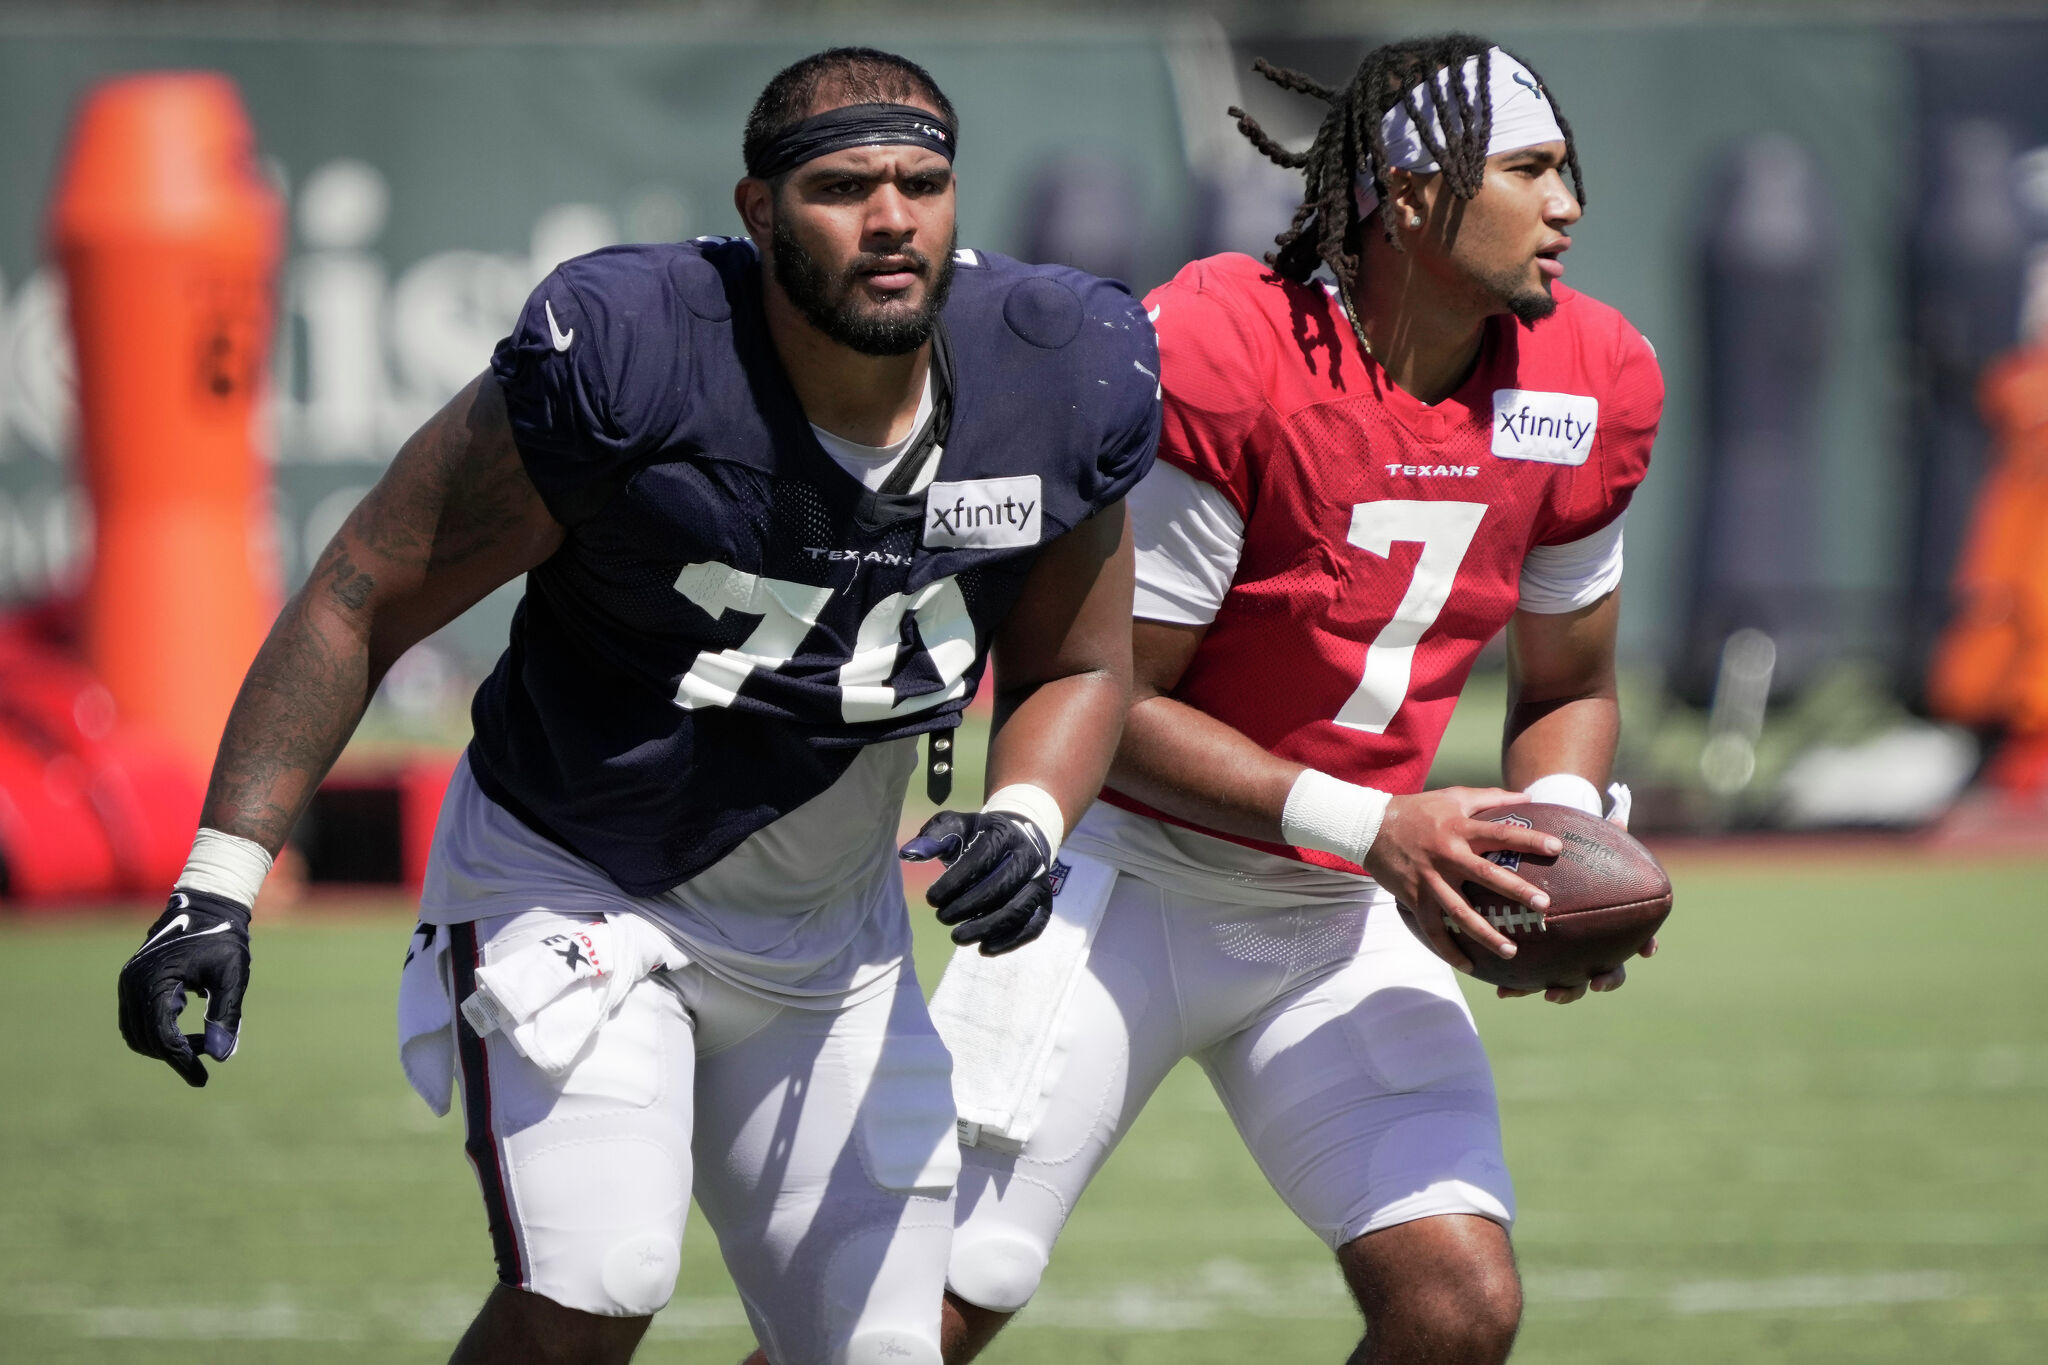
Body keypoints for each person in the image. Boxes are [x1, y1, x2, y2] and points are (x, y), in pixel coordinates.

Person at [114, 46, 1159, 1365]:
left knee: (887, 1350)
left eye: (923, 182)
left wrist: (1028, 812)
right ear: (760, 205)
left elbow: (1081, 663)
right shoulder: (636, 356)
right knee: (597, 1283)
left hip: (831, 933)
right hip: (581, 875)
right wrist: (217, 876)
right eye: (844, 186)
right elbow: (360, 595)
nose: (893, 217)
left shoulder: (1058, 376)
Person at [937, 34, 1663, 1365]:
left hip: (1337, 909)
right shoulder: (1236, 350)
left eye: (1568, 170)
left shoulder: (1587, 381)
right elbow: (1101, 699)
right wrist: (1374, 825)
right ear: (1408, 194)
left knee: (1458, 1307)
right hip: (1128, 878)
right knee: (916, 1315)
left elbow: (1567, 683)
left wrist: (1554, 844)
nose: (1569, 205)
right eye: (1531, 170)